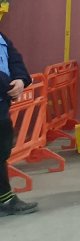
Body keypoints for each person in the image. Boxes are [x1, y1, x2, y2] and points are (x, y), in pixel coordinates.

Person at [0, 30, 36, 216]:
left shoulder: (2, 38)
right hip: (3, 94)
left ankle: (4, 200)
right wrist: (8, 87)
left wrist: (21, 80)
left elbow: (15, 59)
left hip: (1, 107)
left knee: (1, 153)